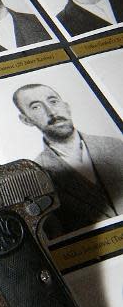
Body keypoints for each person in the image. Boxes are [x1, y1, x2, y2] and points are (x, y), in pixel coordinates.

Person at [12, 83, 123, 236]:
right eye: (36, 107)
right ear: (26, 120)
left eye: (53, 101)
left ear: (67, 107)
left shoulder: (116, 146)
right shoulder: (35, 176)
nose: (51, 111)